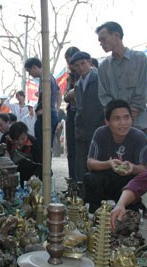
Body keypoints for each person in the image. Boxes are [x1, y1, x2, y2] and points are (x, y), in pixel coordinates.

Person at [83, 99, 147, 213]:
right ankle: (95, 213)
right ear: (107, 121)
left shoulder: (139, 136)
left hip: (127, 181)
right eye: (117, 119)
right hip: (106, 179)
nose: (123, 123)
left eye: (126, 117)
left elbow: (145, 169)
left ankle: (131, 212)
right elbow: (90, 163)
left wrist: (132, 168)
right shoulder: (100, 133)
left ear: (131, 119)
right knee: (90, 178)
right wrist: (109, 164)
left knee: (138, 182)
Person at [96, 21, 147, 132]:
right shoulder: (103, 67)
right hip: (114, 126)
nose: (101, 43)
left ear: (116, 35)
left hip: (137, 122)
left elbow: (143, 90)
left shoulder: (139, 59)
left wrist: (130, 112)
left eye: (103, 39)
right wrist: (118, 115)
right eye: (99, 41)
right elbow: (103, 96)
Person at [70, 51, 105, 180]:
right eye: (77, 65)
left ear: (89, 62)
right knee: (82, 163)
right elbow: (79, 107)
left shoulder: (99, 78)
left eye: (83, 64)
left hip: (98, 125)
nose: (80, 68)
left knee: (96, 161)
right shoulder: (78, 83)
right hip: (82, 128)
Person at [24, 57, 60, 147]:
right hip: (50, 113)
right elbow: (58, 92)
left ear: (34, 67)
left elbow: (52, 94)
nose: (30, 74)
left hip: (47, 115)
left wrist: (46, 109)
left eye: (29, 71)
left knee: (43, 145)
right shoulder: (48, 77)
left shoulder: (46, 78)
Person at [63, 46, 80, 181]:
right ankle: (72, 181)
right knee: (71, 151)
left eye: (72, 62)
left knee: (82, 150)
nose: (71, 66)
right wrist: (71, 94)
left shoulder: (89, 74)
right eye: (68, 62)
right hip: (71, 113)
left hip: (84, 115)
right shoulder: (70, 77)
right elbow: (66, 96)